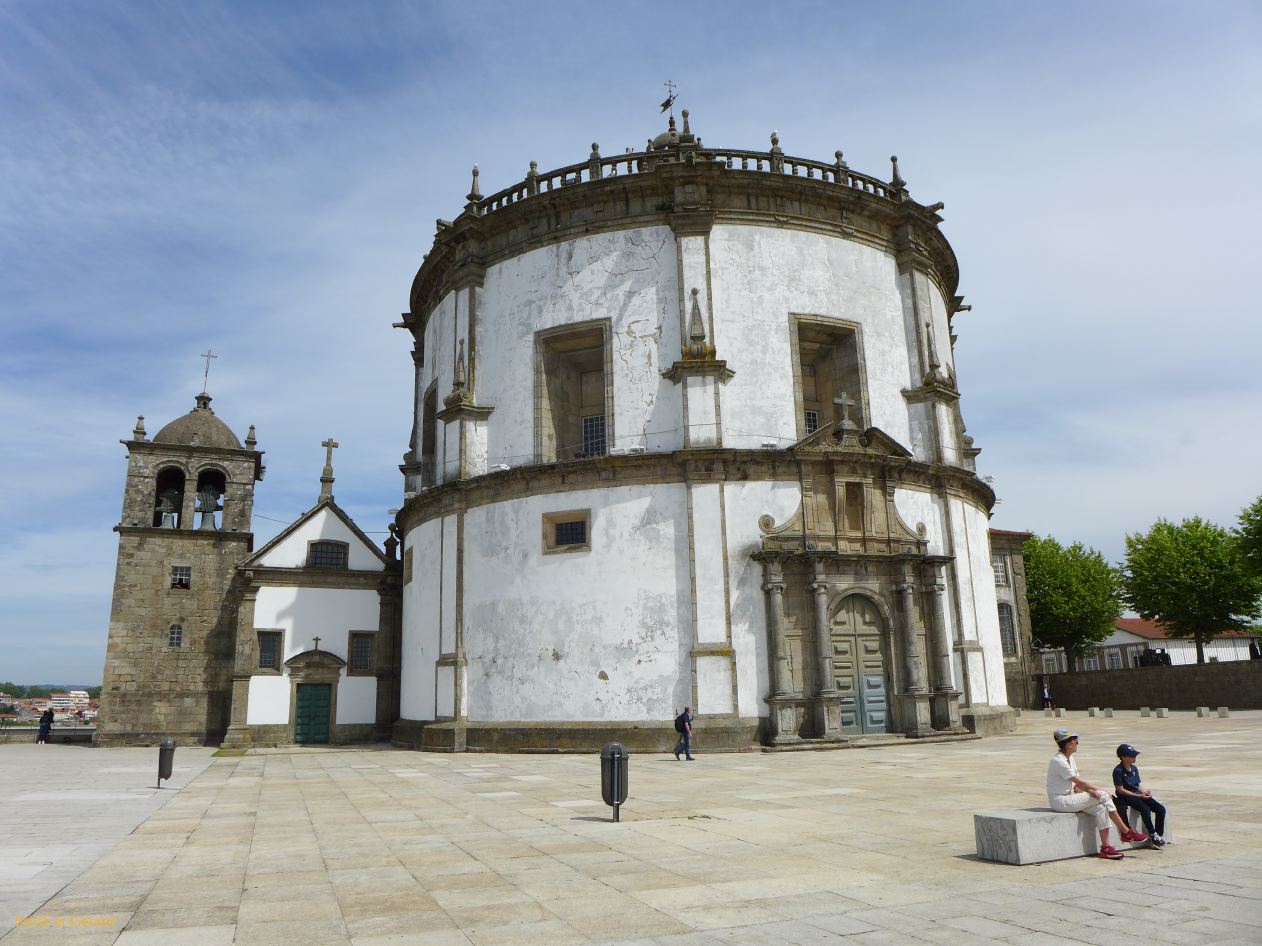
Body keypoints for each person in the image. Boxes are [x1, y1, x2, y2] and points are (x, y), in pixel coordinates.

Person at [1046, 728, 1147, 859]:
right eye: (1075, 741)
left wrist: (1091, 791)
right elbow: (1078, 781)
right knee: (1104, 795)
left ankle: (1106, 848)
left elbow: (1078, 784)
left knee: (1101, 808)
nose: (1077, 743)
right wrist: (1100, 790)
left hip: (1071, 797)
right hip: (1060, 801)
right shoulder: (1058, 761)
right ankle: (1126, 831)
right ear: (1068, 744)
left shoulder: (1070, 758)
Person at [1113, 743, 1168, 846]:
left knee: (1160, 809)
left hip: (1137, 794)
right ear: (1123, 757)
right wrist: (1138, 796)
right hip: (1127, 797)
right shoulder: (1118, 771)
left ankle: (1159, 834)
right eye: (1131, 756)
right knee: (1145, 808)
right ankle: (1152, 834)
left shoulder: (1134, 768)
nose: (1134, 757)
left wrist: (1144, 792)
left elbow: (1137, 784)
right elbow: (1120, 790)